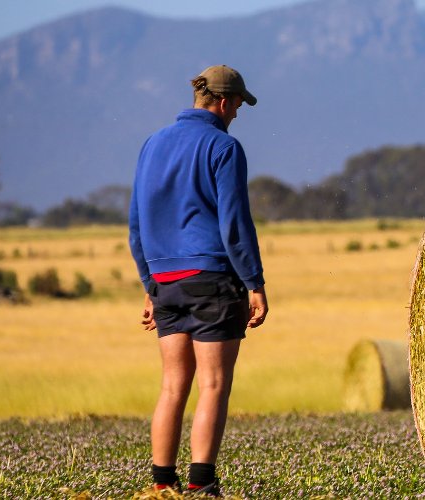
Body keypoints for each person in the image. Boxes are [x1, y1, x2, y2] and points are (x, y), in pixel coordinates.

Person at [129, 64, 270, 496]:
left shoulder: (152, 144)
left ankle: (161, 486)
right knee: (213, 383)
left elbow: (136, 224)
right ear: (223, 102)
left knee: (173, 385)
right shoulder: (224, 147)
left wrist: (150, 285)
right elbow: (235, 224)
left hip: (165, 281)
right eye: (238, 105)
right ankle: (201, 485)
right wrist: (254, 282)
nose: (238, 114)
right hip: (212, 280)